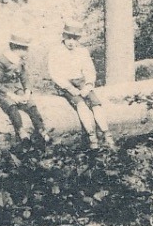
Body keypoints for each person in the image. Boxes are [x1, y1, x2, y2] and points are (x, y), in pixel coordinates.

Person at [47, 21, 113, 149]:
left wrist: (88, 85)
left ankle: (106, 133)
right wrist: (70, 88)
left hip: (81, 82)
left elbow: (89, 69)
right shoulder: (55, 51)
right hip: (65, 84)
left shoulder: (82, 51)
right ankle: (92, 136)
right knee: (81, 104)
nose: (71, 42)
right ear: (63, 36)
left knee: (96, 104)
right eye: (69, 38)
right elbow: (54, 73)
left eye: (75, 38)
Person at [0, 33, 48, 145]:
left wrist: (27, 91)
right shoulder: (1, 61)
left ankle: (41, 129)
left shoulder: (20, 61)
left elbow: (24, 77)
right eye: (25, 49)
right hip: (3, 92)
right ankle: (21, 130)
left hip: (16, 89)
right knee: (11, 106)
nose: (26, 51)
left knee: (31, 104)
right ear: (16, 48)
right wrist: (12, 96)